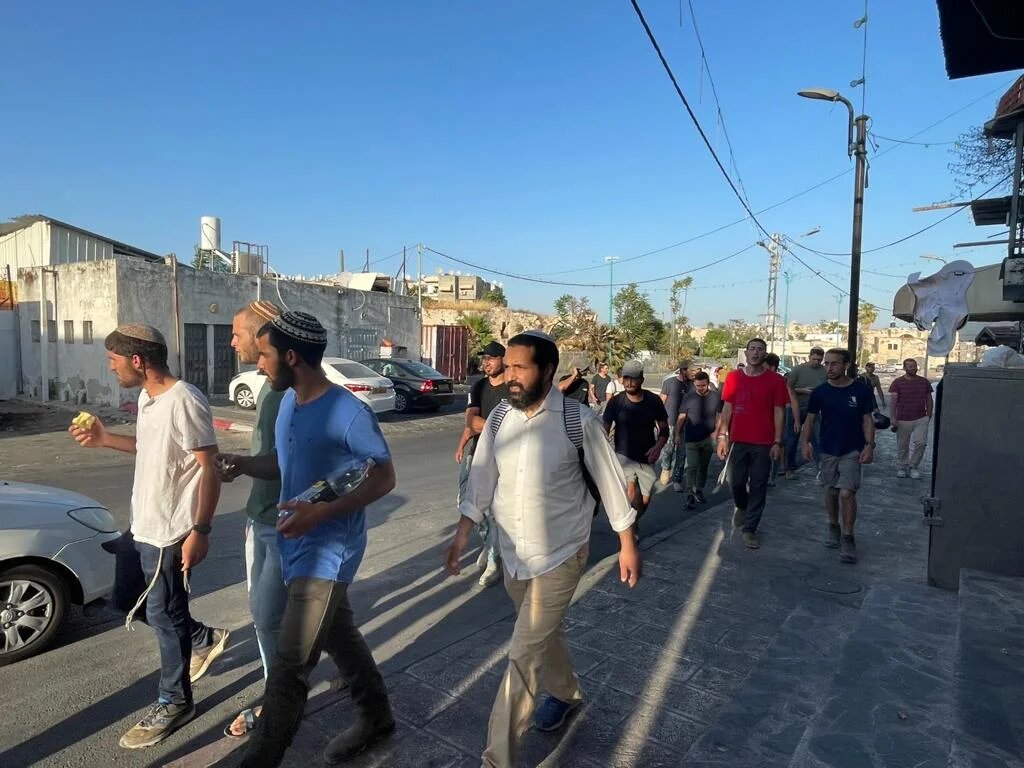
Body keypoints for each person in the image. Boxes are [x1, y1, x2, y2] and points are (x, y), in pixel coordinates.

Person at [444, 330, 640, 768]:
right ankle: (566, 693)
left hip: (562, 553)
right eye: (508, 367)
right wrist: (462, 533)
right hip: (514, 554)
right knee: (540, 637)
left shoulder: (576, 421)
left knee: (523, 653)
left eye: (520, 368)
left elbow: (611, 484)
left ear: (548, 371)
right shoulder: (500, 419)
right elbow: (481, 479)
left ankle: (496, 759)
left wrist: (627, 543)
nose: (510, 376)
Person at [240, 311, 395, 768]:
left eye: (264, 355)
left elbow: (384, 477)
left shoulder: (348, 412)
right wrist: (242, 464)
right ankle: (377, 717)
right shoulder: (289, 402)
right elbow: (285, 463)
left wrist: (321, 513)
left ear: (291, 356)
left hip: (328, 553)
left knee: (290, 667)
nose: (258, 364)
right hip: (295, 543)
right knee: (340, 636)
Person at [69, 324, 226, 749]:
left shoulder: (184, 399)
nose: (110, 367)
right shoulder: (148, 397)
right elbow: (149, 447)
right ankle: (201, 638)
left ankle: (176, 702)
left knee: (164, 615)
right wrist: (104, 439)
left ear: (137, 361)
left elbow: (210, 468)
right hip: (142, 523)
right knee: (125, 600)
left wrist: (201, 530)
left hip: (171, 531)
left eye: (114, 360)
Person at [214, 300, 285, 738]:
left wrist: (241, 465)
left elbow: (283, 462)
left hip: (279, 525)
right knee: (322, 619)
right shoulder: (270, 388)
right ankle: (358, 688)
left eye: (237, 333)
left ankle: (278, 701)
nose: (232, 342)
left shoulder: (286, 393)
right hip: (264, 518)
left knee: (266, 617)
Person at [801, 349, 875, 564]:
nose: (829, 368)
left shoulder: (861, 390)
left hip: (852, 449)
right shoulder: (820, 392)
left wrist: (870, 445)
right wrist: (805, 443)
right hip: (827, 449)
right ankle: (833, 525)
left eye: (834, 364)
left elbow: (867, 420)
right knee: (831, 492)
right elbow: (810, 420)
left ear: (846, 365)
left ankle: (848, 536)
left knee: (846, 493)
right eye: (827, 363)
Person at [716, 338, 789, 549]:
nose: (756, 353)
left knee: (758, 485)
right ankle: (742, 505)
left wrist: (777, 441)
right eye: (752, 349)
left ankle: (750, 529)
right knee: (736, 483)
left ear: (765, 354)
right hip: (738, 440)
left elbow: (779, 411)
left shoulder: (776, 380)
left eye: (760, 350)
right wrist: (722, 436)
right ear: (746, 353)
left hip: (764, 443)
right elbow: (727, 407)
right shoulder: (733, 377)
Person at [454, 341, 508, 588]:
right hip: (476, 455)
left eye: (491, 358)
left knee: (492, 511)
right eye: (484, 358)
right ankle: (490, 544)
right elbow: (470, 420)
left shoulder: (512, 388)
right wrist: (462, 445)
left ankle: (495, 560)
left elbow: (479, 422)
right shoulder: (478, 387)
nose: (486, 363)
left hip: (501, 458)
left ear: (503, 360)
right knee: (465, 503)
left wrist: (481, 425)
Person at [603, 360, 669, 537]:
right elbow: (604, 429)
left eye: (634, 378)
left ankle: (634, 522)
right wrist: (603, 452)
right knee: (630, 493)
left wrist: (658, 447)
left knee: (644, 500)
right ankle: (629, 532)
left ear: (642, 380)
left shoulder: (653, 401)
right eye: (626, 378)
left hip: (646, 456)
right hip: (623, 455)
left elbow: (664, 430)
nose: (629, 382)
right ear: (621, 379)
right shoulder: (616, 402)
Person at [674, 371, 721, 510]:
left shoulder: (716, 397)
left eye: (703, 385)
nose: (700, 388)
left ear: (708, 384)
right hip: (691, 439)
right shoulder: (688, 397)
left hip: (708, 438)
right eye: (698, 385)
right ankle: (690, 494)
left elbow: (720, 416)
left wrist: (717, 433)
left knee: (703, 467)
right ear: (694, 384)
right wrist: (677, 434)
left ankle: (699, 489)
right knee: (692, 466)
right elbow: (682, 417)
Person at [784, 347, 826, 479]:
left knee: (817, 439)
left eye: (819, 360)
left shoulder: (824, 371)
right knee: (792, 439)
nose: (816, 362)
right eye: (814, 359)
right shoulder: (797, 370)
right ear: (809, 357)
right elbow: (788, 388)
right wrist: (803, 390)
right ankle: (789, 468)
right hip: (796, 408)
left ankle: (821, 469)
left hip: (814, 410)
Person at [888, 358, 933, 479]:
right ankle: (902, 467)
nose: (913, 368)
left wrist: (929, 415)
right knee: (903, 445)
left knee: (921, 443)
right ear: (904, 368)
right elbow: (893, 402)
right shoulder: (897, 382)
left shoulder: (924, 382)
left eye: (914, 366)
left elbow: (929, 398)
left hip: (921, 418)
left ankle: (913, 466)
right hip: (903, 418)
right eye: (910, 366)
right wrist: (893, 417)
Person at [765, 353, 801, 484]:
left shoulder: (781, 381)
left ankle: (772, 476)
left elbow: (793, 400)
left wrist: (797, 420)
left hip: (777, 420)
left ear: (772, 367)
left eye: (764, 365)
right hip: (764, 420)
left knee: (777, 446)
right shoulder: (757, 378)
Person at [659, 361, 691, 488]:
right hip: (670, 422)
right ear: (682, 370)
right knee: (668, 450)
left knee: (682, 452)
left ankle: (677, 479)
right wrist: (658, 420)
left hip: (686, 424)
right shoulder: (669, 383)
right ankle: (665, 468)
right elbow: (661, 401)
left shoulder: (692, 385)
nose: (691, 372)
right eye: (689, 370)